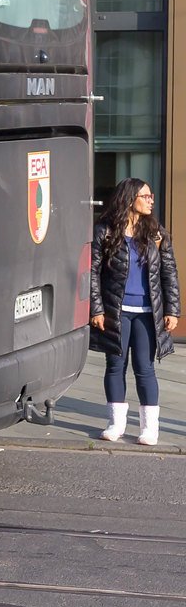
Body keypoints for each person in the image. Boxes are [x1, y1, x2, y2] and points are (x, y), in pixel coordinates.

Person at [90, 179, 179, 444]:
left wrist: (173, 310)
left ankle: (149, 428)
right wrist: (96, 309)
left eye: (151, 196)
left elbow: (169, 273)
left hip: (147, 313)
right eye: (146, 196)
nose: (151, 200)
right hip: (115, 310)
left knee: (145, 368)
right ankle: (115, 424)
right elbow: (92, 272)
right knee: (115, 366)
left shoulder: (156, 233)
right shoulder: (105, 231)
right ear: (130, 199)